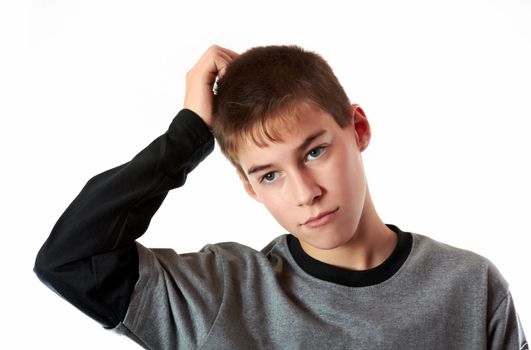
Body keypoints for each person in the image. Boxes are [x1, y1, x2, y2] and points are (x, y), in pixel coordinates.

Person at [34, 45, 527, 349]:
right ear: (248, 187)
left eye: (314, 152)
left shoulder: (469, 287)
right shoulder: (219, 294)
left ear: (357, 129)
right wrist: (185, 138)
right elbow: (71, 259)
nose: (306, 193)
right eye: (269, 176)